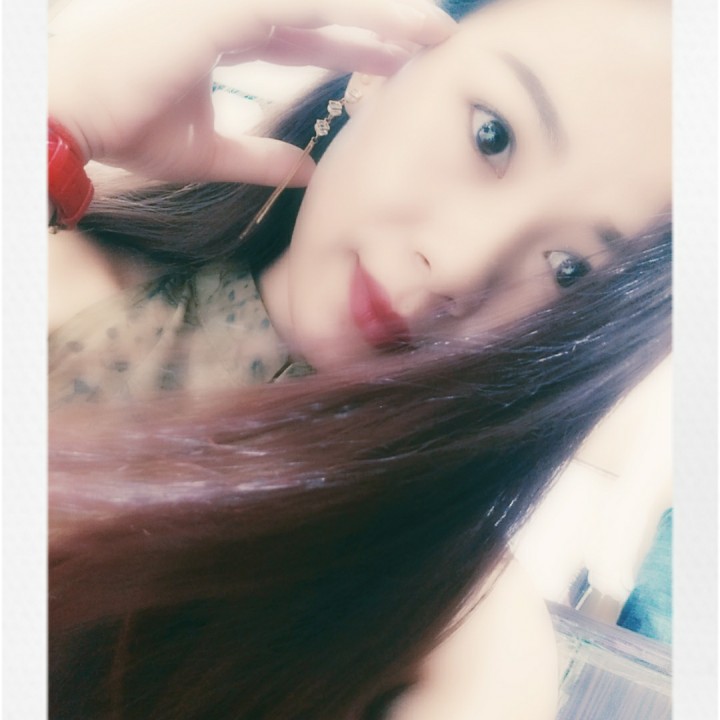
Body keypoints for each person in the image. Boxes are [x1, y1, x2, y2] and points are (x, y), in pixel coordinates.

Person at [48, 0, 672, 717]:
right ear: (379, 69)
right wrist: (53, 131)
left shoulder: (460, 642)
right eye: (492, 136)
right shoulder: (50, 263)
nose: (459, 265)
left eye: (569, 269)